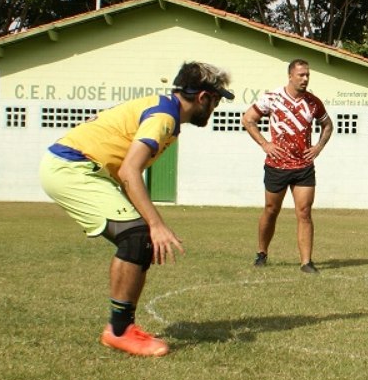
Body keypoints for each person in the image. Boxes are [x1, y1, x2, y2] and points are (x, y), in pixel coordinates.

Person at [40, 62, 234, 357]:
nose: (215, 108)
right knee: (137, 236)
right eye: (216, 100)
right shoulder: (164, 117)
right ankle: (119, 331)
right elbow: (131, 171)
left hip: (79, 168)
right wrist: (155, 225)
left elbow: (124, 173)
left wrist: (149, 223)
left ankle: (123, 327)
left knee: (139, 238)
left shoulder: (165, 113)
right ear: (203, 97)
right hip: (72, 168)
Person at [243, 59, 333, 273]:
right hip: (277, 165)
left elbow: (327, 124)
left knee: (304, 212)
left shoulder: (313, 102)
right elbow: (248, 119)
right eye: (301, 75)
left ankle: (306, 262)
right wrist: (265, 144)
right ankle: (262, 253)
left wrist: (318, 147)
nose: (305, 79)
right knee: (271, 210)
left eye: (307, 75)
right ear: (290, 76)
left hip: (303, 166)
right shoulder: (272, 98)